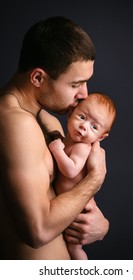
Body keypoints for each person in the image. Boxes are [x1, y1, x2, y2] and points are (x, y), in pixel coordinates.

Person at [0, 16, 109, 260]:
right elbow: (37, 231)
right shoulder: (14, 122)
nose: (84, 95)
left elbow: (63, 198)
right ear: (38, 78)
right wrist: (96, 178)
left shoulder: (46, 119)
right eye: (75, 84)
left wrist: (100, 225)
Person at [49, 92, 116, 259]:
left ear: (101, 137)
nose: (84, 126)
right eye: (81, 117)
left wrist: (57, 151)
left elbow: (71, 169)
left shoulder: (82, 147)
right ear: (71, 113)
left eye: (94, 127)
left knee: (75, 249)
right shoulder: (68, 141)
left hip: (79, 211)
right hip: (68, 205)